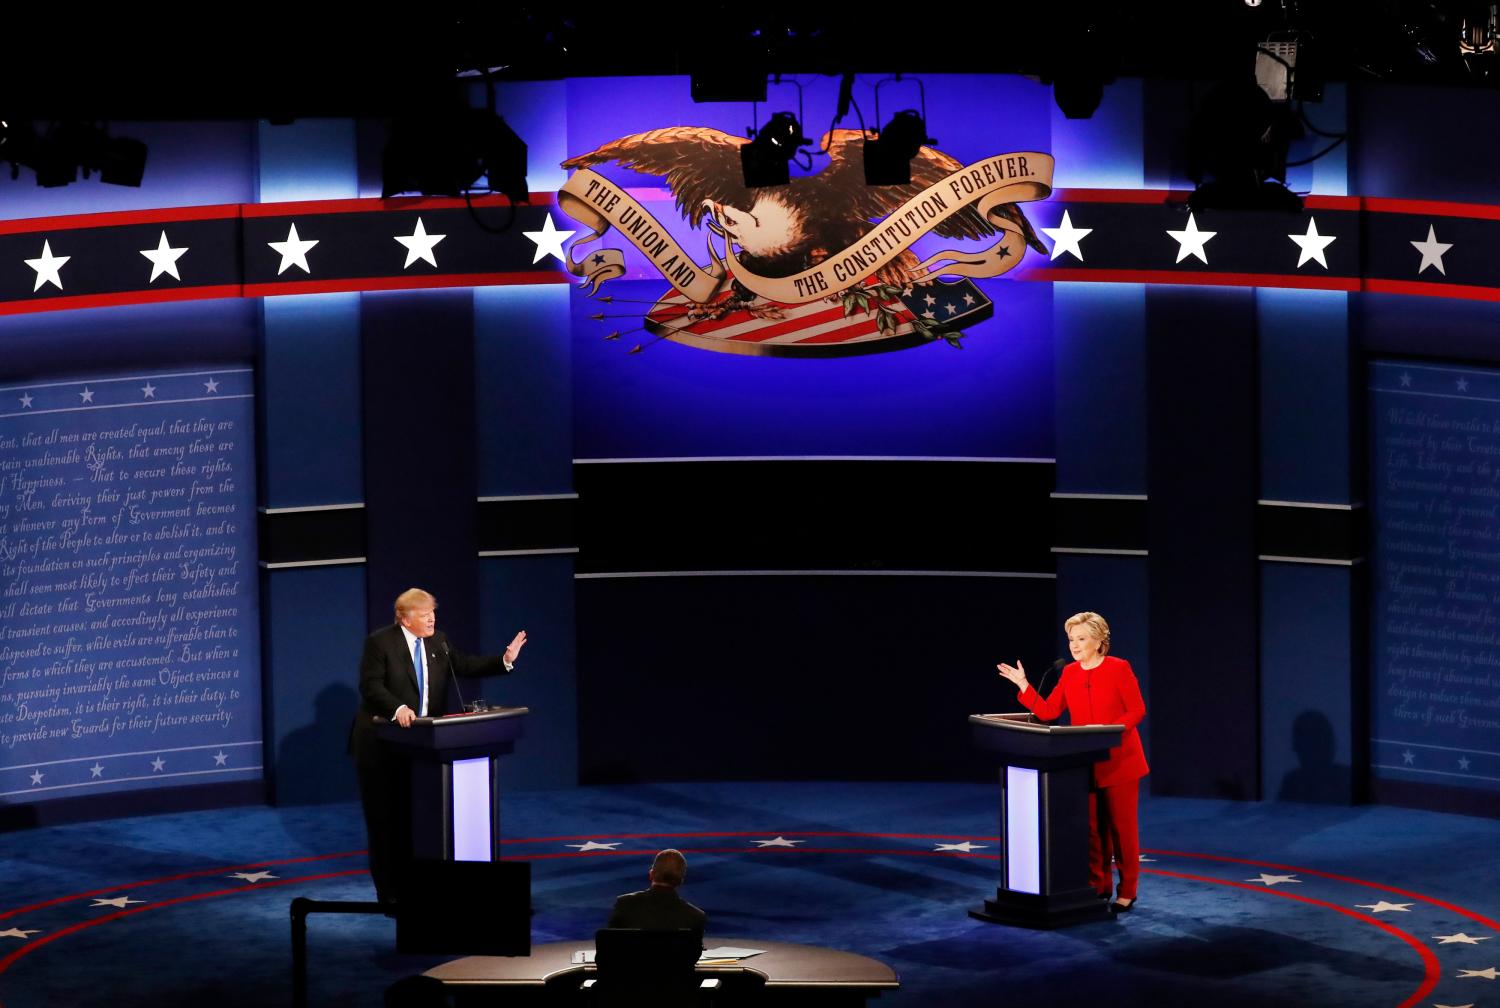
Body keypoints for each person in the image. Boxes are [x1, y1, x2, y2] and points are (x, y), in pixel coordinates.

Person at [348, 587, 528, 904]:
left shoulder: (439, 642)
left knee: (416, 821)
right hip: (381, 748)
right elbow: (370, 685)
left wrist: (504, 660)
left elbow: (466, 665)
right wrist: (398, 709)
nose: (432, 618)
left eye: (433, 612)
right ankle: (389, 895)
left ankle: (422, 888)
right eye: (424, 613)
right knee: (386, 823)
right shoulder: (380, 643)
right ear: (404, 618)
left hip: (423, 747)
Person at [996, 611, 1147, 913]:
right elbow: (1050, 712)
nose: (1074, 646)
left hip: (1120, 762)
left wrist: (1110, 733)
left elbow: (1136, 710)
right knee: (1093, 831)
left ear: (1099, 641)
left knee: (1121, 830)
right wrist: (1024, 686)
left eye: (1081, 639)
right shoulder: (1070, 673)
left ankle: (1127, 890)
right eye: (1071, 640)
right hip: (1084, 763)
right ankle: (1099, 885)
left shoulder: (1119, 668)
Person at [607, 849, 707, 943]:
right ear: (680, 881)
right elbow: (691, 957)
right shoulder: (696, 917)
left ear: (651, 874)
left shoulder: (624, 904)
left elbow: (608, 950)